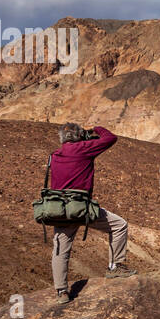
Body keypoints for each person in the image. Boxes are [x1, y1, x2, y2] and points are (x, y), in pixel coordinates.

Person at [49, 123, 135, 304]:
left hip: (60, 210)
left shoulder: (55, 155)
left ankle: (61, 292)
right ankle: (115, 266)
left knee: (60, 250)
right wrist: (96, 128)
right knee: (119, 225)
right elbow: (111, 138)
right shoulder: (83, 149)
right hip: (83, 209)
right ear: (79, 136)